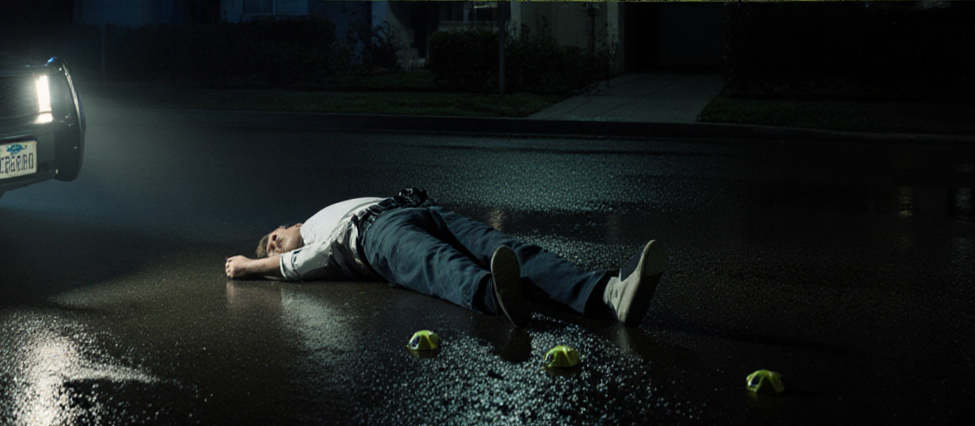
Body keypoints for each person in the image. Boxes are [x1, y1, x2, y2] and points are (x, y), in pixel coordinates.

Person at [223, 189, 666, 327]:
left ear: (286, 223)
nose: (276, 246)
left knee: (508, 250)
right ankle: (497, 296)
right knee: (437, 264)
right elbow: (304, 262)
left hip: (416, 208)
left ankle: (609, 292)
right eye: (272, 250)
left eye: (274, 239)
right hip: (376, 234)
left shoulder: (315, 217)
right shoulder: (317, 244)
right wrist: (250, 266)